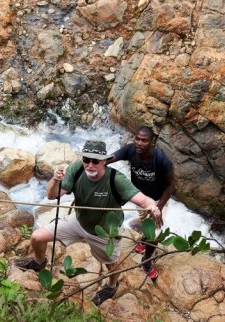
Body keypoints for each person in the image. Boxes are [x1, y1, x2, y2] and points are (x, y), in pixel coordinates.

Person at [15, 140, 162, 306]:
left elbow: (142, 199)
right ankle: (39, 262)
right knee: (37, 237)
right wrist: (55, 180)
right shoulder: (76, 169)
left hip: (105, 231)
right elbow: (52, 196)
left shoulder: (115, 179)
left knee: (112, 265)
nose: (90, 165)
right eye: (86, 160)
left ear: (104, 161)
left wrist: (152, 206)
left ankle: (112, 286)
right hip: (78, 221)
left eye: (95, 161)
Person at [107, 126, 175, 280]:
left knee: (154, 234)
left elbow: (171, 185)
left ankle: (146, 261)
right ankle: (143, 239)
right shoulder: (131, 150)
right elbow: (112, 158)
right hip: (140, 198)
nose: (139, 143)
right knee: (145, 222)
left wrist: (159, 207)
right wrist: (95, 163)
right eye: (137, 139)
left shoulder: (161, 159)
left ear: (152, 142)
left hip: (159, 200)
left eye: (144, 140)